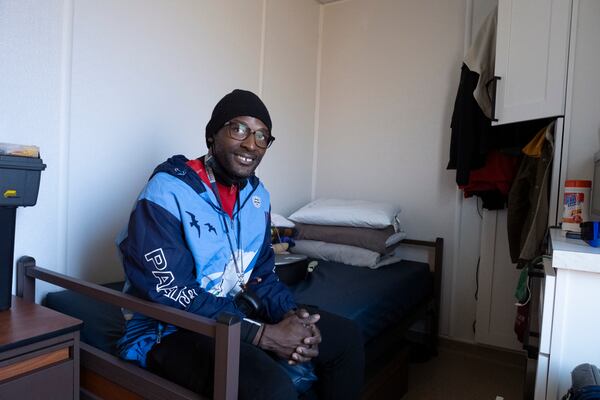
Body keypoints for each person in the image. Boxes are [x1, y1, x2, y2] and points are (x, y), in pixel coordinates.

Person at [116, 89, 364, 399]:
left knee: (346, 337)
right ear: (212, 136)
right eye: (239, 129)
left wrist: (293, 317)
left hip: (233, 313)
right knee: (270, 388)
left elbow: (261, 276)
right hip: (169, 329)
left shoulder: (257, 198)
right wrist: (263, 335)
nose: (251, 144)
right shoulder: (167, 191)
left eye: (262, 136)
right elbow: (171, 292)